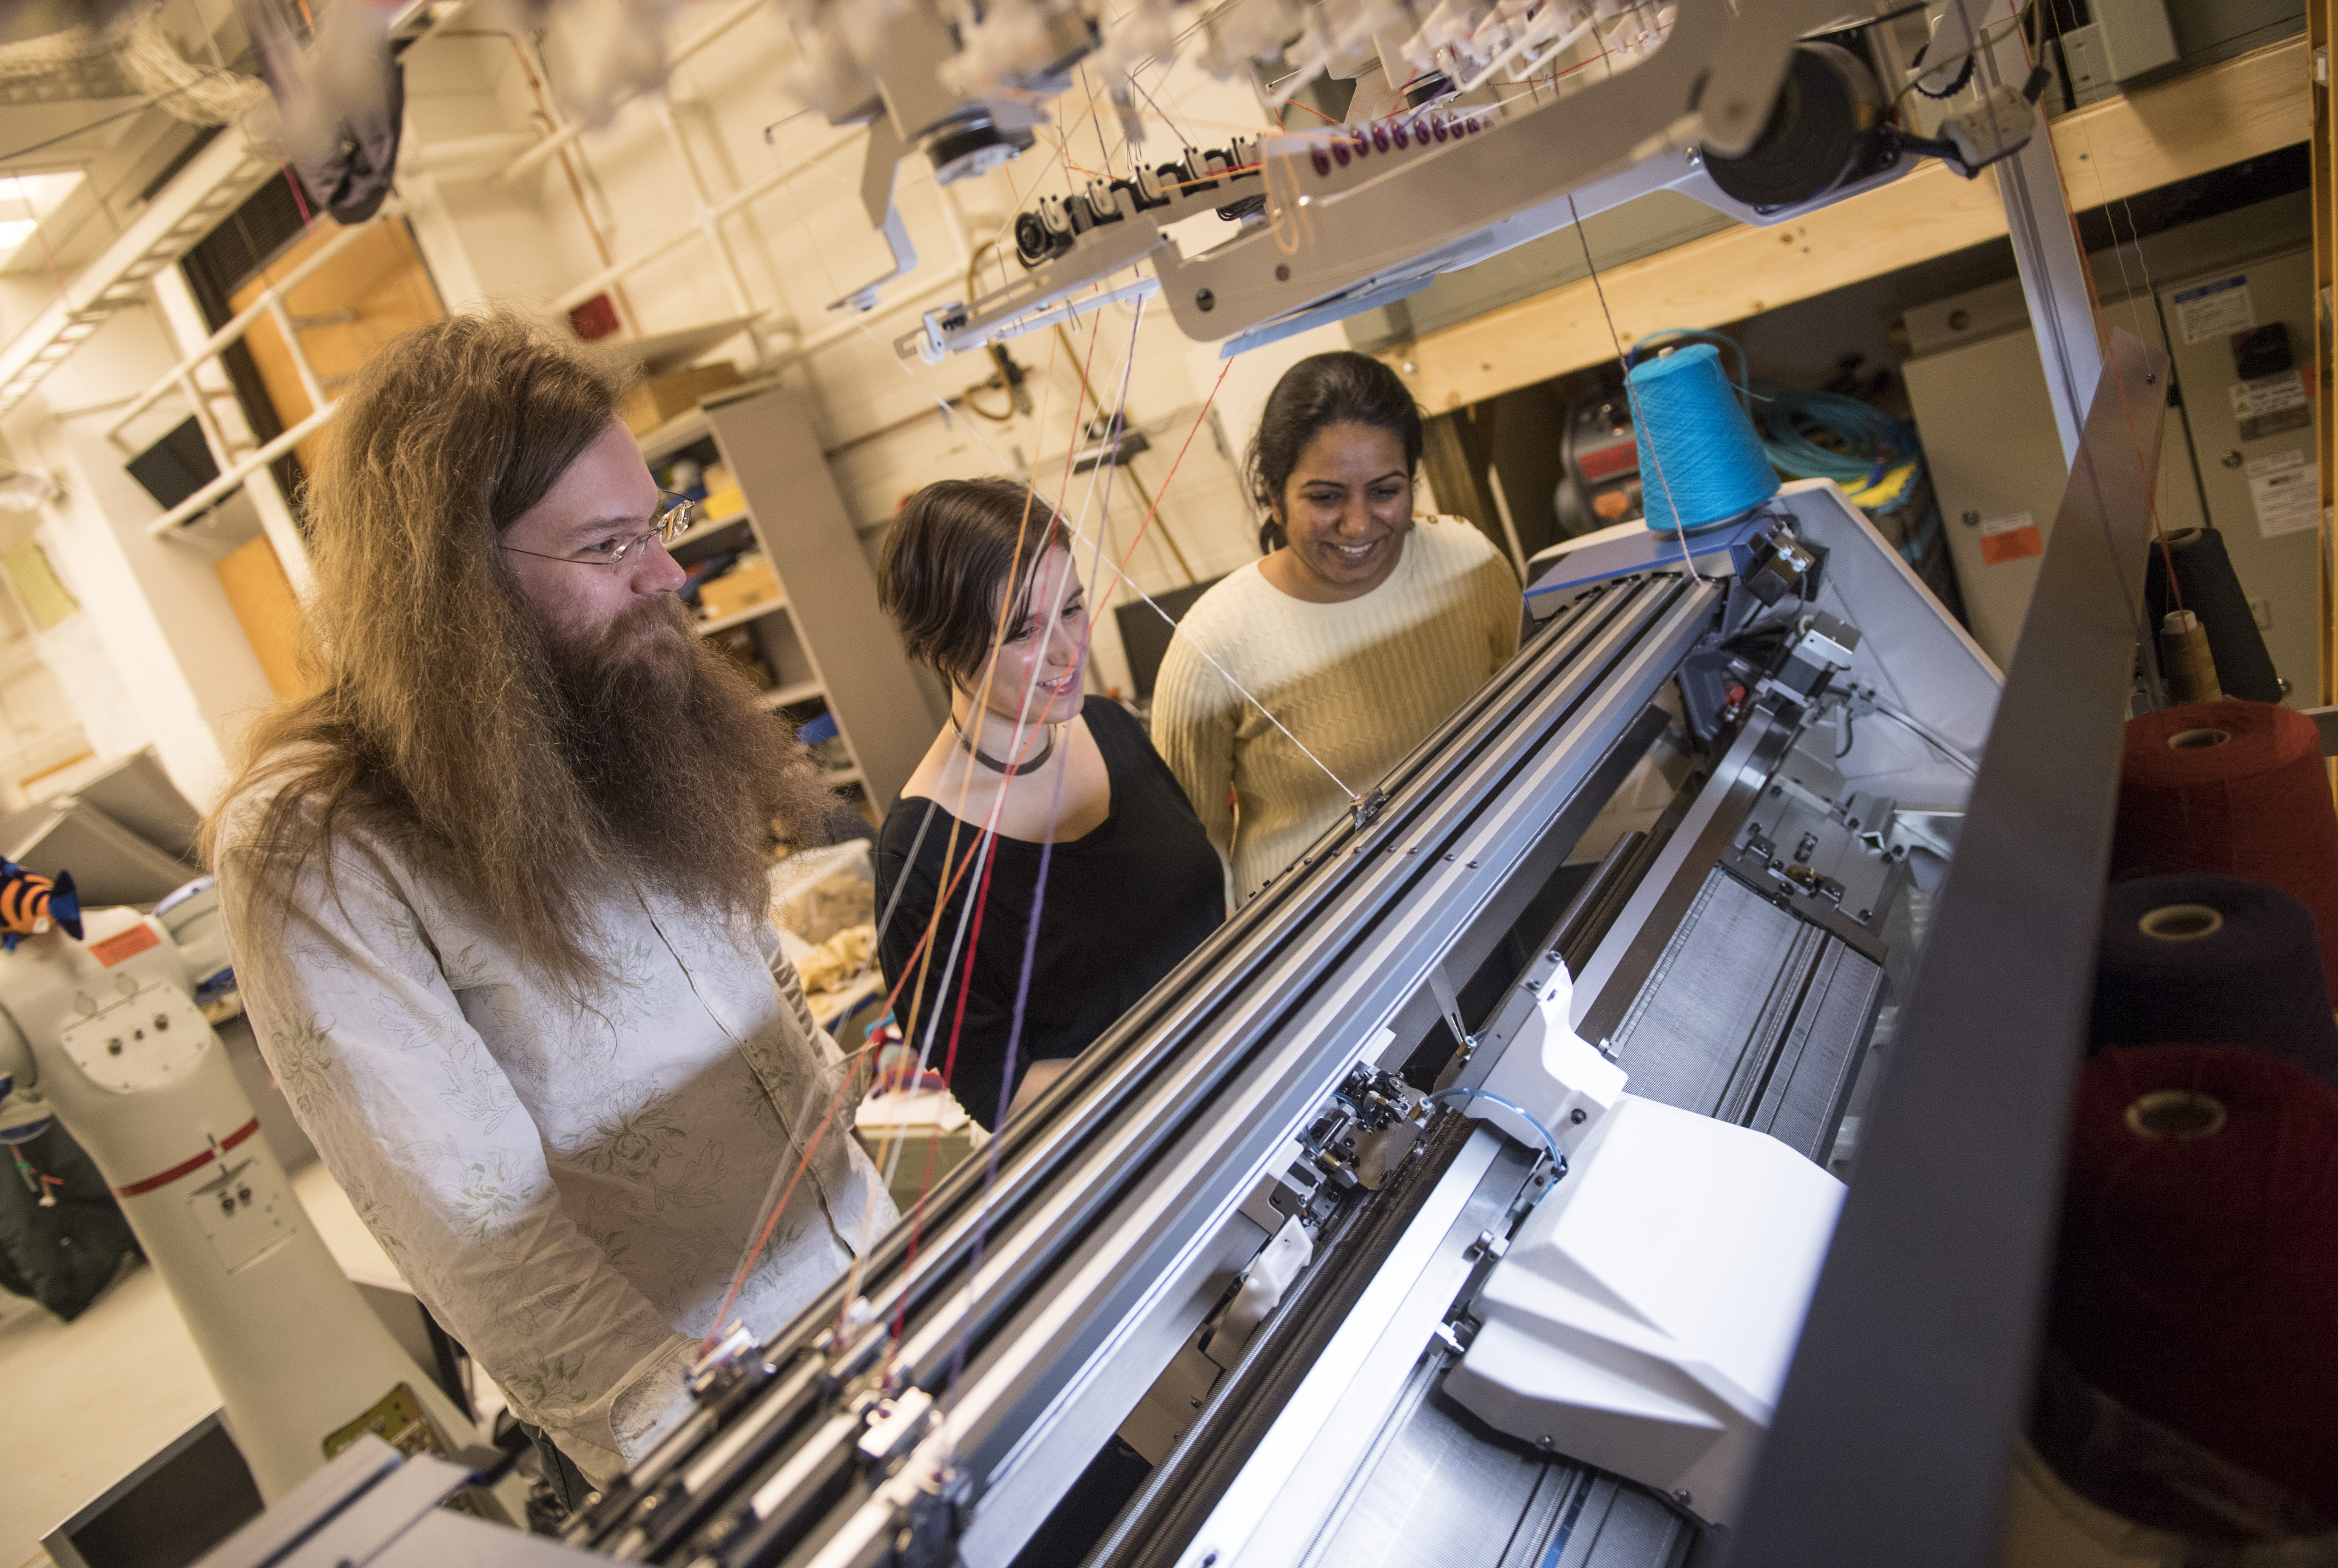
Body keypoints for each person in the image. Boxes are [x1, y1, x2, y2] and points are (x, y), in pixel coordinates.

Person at [201, 313, 895, 1500]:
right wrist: (717, 1456)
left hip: (878, 1282)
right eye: (612, 543)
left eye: (656, 526)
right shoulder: (317, 849)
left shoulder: (608, 705)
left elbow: (753, 969)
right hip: (730, 1426)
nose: (666, 574)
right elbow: (481, 1230)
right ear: (454, 586)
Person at [872, 478, 1222, 1131]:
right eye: (1024, 630)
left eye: (1072, 607)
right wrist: (1191, 1059)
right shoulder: (920, 859)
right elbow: (997, 1092)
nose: (1068, 650)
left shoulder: (1111, 727)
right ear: (946, 652)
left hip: (1258, 1069)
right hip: (1137, 1148)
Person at [1151, 351, 1523, 904]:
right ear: (1274, 497)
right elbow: (1191, 862)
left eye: (1385, 491)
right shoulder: (1212, 643)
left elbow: (1527, 720)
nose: (1357, 523)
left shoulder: (1469, 562)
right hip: (1315, 951)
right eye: (1325, 498)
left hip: (1484, 884)